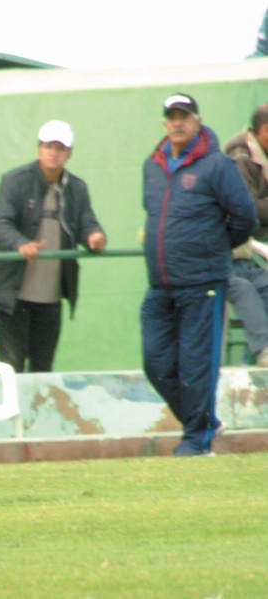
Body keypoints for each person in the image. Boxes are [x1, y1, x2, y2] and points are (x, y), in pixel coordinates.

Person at [141, 93, 256, 457]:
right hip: (160, 284)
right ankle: (203, 421)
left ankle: (197, 441)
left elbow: (245, 218)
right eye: (171, 116)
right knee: (156, 363)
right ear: (164, 122)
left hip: (203, 283)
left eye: (184, 116)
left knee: (195, 365)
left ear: (196, 120)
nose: (177, 122)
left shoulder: (218, 166)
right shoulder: (152, 165)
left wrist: (214, 248)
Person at [0, 120, 106, 373]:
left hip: (50, 297)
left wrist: (95, 236)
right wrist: (21, 245)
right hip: (11, 295)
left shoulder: (77, 188)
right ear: (39, 149)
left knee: (42, 367)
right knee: (11, 366)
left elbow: (86, 223)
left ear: (68, 154)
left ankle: (37, 414)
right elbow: (0, 223)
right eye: (48, 146)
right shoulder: (15, 181)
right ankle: (12, 413)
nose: (53, 152)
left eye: (60, 148)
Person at [222, 104, 268, 366]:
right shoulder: (240, 156)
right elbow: (247, 210)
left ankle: (251, 364)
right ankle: (255, 359)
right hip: (228, 256)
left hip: (247, 255)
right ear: (264, 131)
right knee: (246, 291)